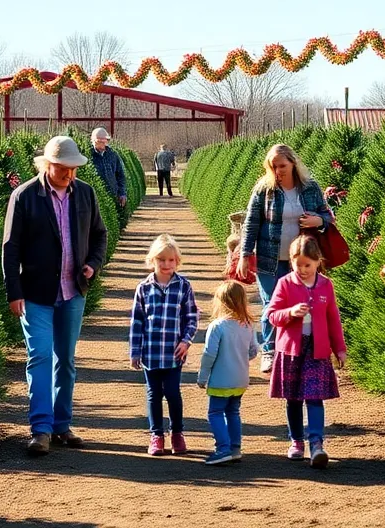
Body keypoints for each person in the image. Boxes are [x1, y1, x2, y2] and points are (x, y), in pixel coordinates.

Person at [2, 135, 108, 457]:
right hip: (35, 294)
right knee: (40, 358)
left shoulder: (85, 195)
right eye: (63, 168)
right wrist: (14, 291)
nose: (69, 174)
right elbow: (11, 248)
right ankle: (41, 430)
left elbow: (99, 235)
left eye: (74, 169)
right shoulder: (25, 196)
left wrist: (92, 264)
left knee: (66, 360)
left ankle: (62, 426)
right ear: (48, 165)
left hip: (72, 292)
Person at [236, 143, 332, 373]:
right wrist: (245, 254)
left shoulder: (309, 188)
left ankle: (295, 348)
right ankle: (269, 350)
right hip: (269, 258)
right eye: (273, 166)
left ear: (293, 163)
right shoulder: (264, 189)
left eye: (282, 165)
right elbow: (251, 223)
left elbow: (327, 215)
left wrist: (318, 221)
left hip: (301, 260)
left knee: (299, 302)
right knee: (271, 303)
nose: (278, 170)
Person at [266, 235, 346, 469]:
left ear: (318, 262)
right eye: (297, 264)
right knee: (293, 398)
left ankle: (317, 444)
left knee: (314, 396)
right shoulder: (285, 284)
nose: (302, 269)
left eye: (307, 265)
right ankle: (296, 441)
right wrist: (290, 312)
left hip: (317, 350)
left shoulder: (325, 285)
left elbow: (333, 319)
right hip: (291, 349)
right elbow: (272, 315)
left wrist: (339, 348)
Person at [129, 234, 199, 457]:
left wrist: (186, 341)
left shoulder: (183, 286)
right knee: (153, 393)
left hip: (173, 353)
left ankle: (177, 433)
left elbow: (192, 317)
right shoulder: (144, 288)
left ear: (177, 261)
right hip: (151, 352)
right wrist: (135, 352)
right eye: (161, 260)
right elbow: (137, 321)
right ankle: (156, 435)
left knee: (172, 392)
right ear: (152, 261)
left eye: (171, 260)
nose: (166, 264)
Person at [197, 279, 259, 466]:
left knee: (215, 412)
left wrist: (203, 376)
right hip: (240, 379)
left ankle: (222, 449)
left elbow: (209, 354)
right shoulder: (248, 324)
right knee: (233, 411)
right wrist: (240, 359)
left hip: (220, 380)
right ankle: (235, 448)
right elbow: (253, 350)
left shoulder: (217, 326)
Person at [88, 127, 128, 217]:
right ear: (93, 141)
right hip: (95, 197)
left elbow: (120, 175)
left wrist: (122, 193)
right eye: (99, 141)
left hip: (112, 194)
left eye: (104, 141)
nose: (102, 144)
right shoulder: (88, 155)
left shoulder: (113, 155)